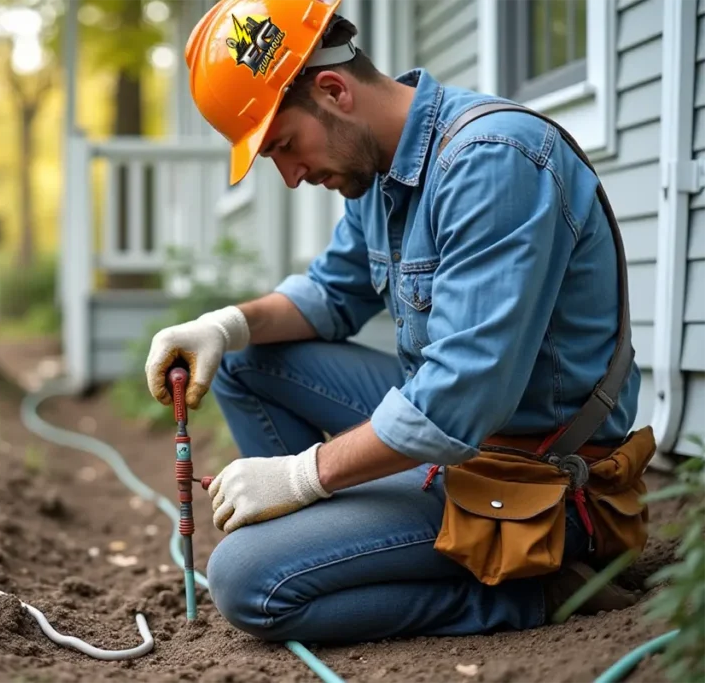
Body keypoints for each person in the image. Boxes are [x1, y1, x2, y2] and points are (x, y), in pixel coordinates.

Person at [143, 0, 658, 646]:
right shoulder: (384, 175)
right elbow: (327, 298)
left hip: (533, 479)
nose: (292, 176)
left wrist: (301, 474)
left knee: (248, 580)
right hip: (458, 447)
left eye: (283, 146)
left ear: (334, 91)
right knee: (247, 356)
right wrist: (220, 325)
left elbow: (454, 401)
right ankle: (338, 538)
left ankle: (535, 590)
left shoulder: (493, 162)